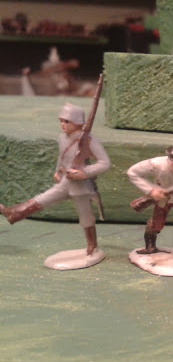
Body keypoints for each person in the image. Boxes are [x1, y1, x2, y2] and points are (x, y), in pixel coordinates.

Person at [0, 103, 111, 256]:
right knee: (43, 199)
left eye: (67, 121)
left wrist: (84, 172)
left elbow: (105, 163)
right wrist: (58, 170)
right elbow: (62, 157)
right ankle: (13, 212)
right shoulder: (62, 138)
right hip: (66, 182)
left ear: (77, 122)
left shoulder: (88, 140)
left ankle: (92, 245)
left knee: (86, 217)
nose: (63, 124)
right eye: (61, 121)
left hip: (81, 186)